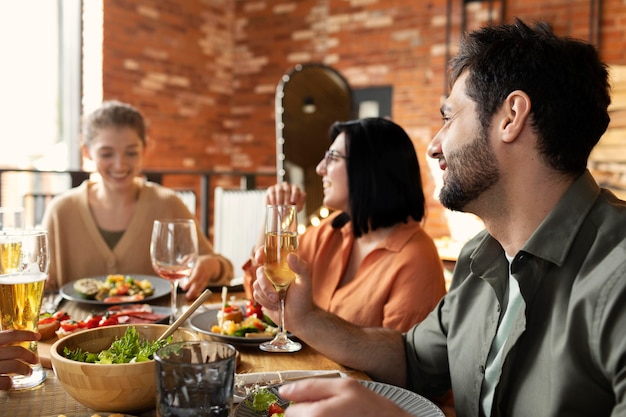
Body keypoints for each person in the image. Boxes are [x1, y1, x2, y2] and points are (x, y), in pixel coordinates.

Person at [252, 19, 626, 417]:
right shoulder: (479, 258)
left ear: (511, 116)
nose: (433, 146)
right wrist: (306, 318)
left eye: (449, 117)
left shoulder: (616, 272)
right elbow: (411, 361)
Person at [244, 117, 447, 332]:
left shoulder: (416, 259)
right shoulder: (329, 232)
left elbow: (402, 359)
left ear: (369, 167)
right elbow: (262, 296)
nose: (320, 168)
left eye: (332, 158)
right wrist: (276, 215)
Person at [42, 100, 233, 300]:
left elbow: (222, 267)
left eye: (131, 153)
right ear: (86, 152)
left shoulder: (167, 203)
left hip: (155, 330)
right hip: (77, 329)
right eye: (107, 154)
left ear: (145, 149)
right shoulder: (60, 212)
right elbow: (44, 286)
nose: (119, 164)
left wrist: (211, 266)